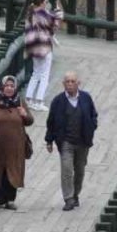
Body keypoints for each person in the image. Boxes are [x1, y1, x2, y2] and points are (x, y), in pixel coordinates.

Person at [44, 71, 98, 212]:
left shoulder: (86, 98)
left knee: (79, 170)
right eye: (67, 81)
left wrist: (92, 127)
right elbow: (51, 122)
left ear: (78, 83)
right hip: (66, 141)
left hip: (83, 141)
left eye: (73, 81)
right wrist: (49, 140)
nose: (70, 84)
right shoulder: (58, 101)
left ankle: (75, 194)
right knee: (67, 170)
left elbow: (93, 115)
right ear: (63, 84)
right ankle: (68, 198)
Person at [0, 74, 34, 210]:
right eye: (7, 86)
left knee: (13, 172)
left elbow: (29, 121)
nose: (9, 88)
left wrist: (24, 114)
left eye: (12, 86)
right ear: (1, 87)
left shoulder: (19, 102)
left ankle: (10, 200)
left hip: (16, 146)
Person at [23, 0, 64, 111]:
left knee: (36, 73)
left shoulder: (30, 14)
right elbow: (55, 24)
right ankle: (39, 101)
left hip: (33, 46)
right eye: (45, 2)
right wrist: (58, 11)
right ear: (41, 3)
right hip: (43, 46)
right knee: (44, 75)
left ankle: (29, 99)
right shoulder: (43, 14)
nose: (46, 4)